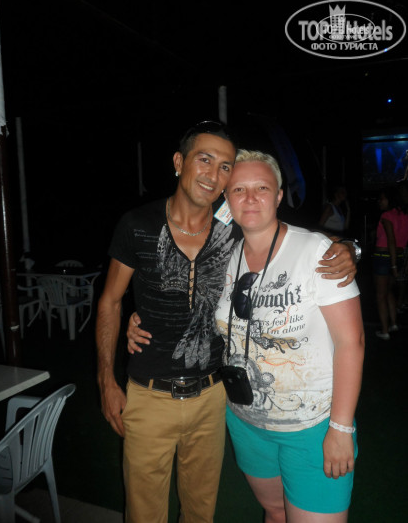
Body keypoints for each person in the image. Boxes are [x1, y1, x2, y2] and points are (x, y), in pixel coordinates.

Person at [97, 120, 358, 523]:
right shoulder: (142, 225)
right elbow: (112, 301)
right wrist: (107, 377)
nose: (213, 174)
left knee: (201, 511)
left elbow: (294, 238)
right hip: (158, 397)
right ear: (179, 162)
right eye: (205, 160)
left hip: (215, 396)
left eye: (224, 167)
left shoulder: (233, 232)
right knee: (145, 512)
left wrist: (348, 247)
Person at [213, 149, 365, 523]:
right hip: (246, 420)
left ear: (279, 195)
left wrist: (341, 427)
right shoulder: (223, 256)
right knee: (276, 511)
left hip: (312, 427)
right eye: (238, 189)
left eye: (262, 188)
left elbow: (351, 343)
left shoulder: (316, 251)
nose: (250, 198)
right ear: (227, 199)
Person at [373, 182, 408, 340]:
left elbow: (391, 240)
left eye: (382, 199)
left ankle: (385, 331)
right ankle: (393, 323)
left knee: (381, 295)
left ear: (390, 199)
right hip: (398, 257)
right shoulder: (405, 215)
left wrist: (393, 265)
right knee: (389, 292)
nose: (379, 201)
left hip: (384, 258)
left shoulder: (387, 216)